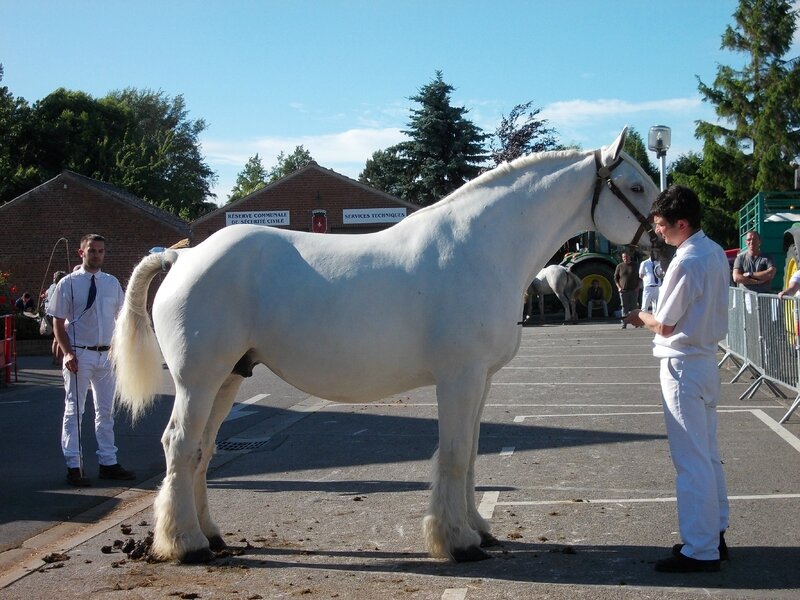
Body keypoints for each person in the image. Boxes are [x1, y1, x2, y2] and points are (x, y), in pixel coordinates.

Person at [624, 186, 730, 573]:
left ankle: (700, 548)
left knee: (691, 460)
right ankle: (713, 533)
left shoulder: (687, 260)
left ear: (682, 224)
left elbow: (665, 324)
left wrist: (641, 316)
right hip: (703, 361)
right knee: (706, 453)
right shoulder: (714, 250)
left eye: (663, 226)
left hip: (683, 363)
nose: (660, 233)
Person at [49, 234, 135, 487]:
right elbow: (57, 321)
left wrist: (121, 351)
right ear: (81, 252)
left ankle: (108, 462)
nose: (96, 255)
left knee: (105, 411)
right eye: (92, 250)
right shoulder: (69, 283)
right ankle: (73, 465)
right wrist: (67, 352)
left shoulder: (111, 283)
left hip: (106, 354)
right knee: (75, 410)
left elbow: (122, 319)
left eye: (100, 251)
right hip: (79, 353)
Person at [614, 251, 639, 328]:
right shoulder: (619, 266)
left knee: (634, 307)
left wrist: (638, 287)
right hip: (623, 290)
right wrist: (619, 287)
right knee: (624, 307)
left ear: (630, 257)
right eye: (624, 257)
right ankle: (624, 323)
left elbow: (640, 277)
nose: (625, 258)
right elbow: (616, 278)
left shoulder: (635, 265)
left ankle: (635, 323)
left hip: (633, 290)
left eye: (626, 257)